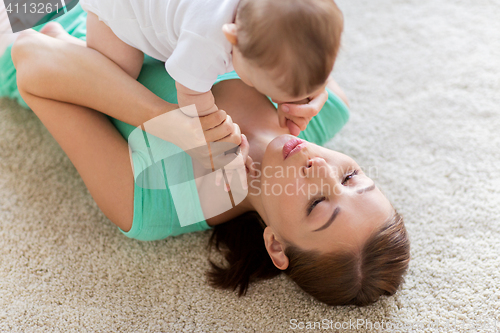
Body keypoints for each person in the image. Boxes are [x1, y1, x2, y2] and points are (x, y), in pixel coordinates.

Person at [2, 7, 410, 306]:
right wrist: (308, 84)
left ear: (277, 246)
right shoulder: (325, 107)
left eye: (318, 203)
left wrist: (168, 122)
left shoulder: (149, 201)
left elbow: (32, 58)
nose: (320, 169)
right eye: (352, 177)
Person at [79, 0, 344, 138]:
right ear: (232, 37)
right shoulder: (207, 41)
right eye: (255, 82)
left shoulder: (258, 16)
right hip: (120, 11)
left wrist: (305, 87)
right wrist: (212, 126)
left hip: (168, 14)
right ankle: (65, 43)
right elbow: (192, 97)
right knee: (116, 76)